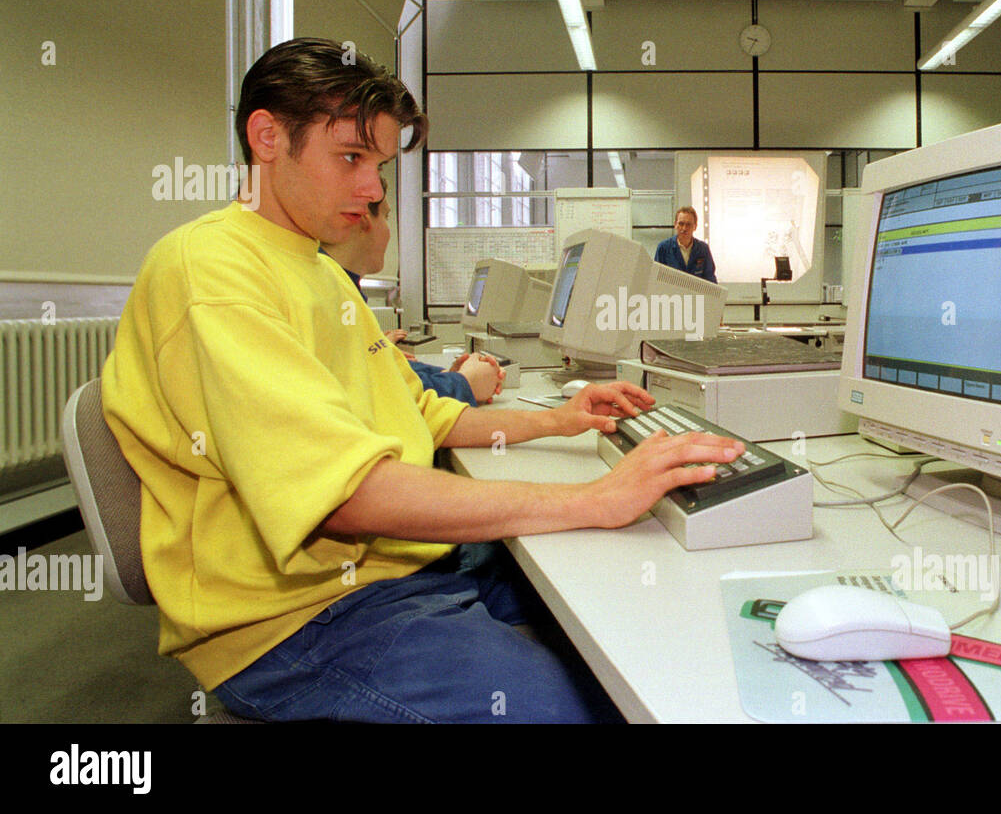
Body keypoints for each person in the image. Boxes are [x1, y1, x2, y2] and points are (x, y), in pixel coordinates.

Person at [101, 37, 743, 724]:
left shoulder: (318, 272)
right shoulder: (213, 270)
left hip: (398, 567)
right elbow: (344, 495)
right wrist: (593, 497)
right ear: (266, 137)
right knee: (576, 709)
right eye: (351, 157)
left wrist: (560, 418)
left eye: (377, 165)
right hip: (300, 620)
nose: (374, 188)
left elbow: (427, 415)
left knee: (629, 602)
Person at [319, 182, 503, 405]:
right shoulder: (329, 295)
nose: (388, 232)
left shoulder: (339, 286)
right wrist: (462, 384)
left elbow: (385, 374)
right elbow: (378, 394)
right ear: (365, 220)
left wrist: (445, 376)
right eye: (386, 217)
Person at [654, 206, 717, 283]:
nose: (684, 228)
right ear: (675, 225)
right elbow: (656, 279)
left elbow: (710, 280)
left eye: (688, 224)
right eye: (681, 224)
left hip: (697, 294)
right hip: (671, 294)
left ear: (695, 226)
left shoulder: (703, 249)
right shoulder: (663, 248)